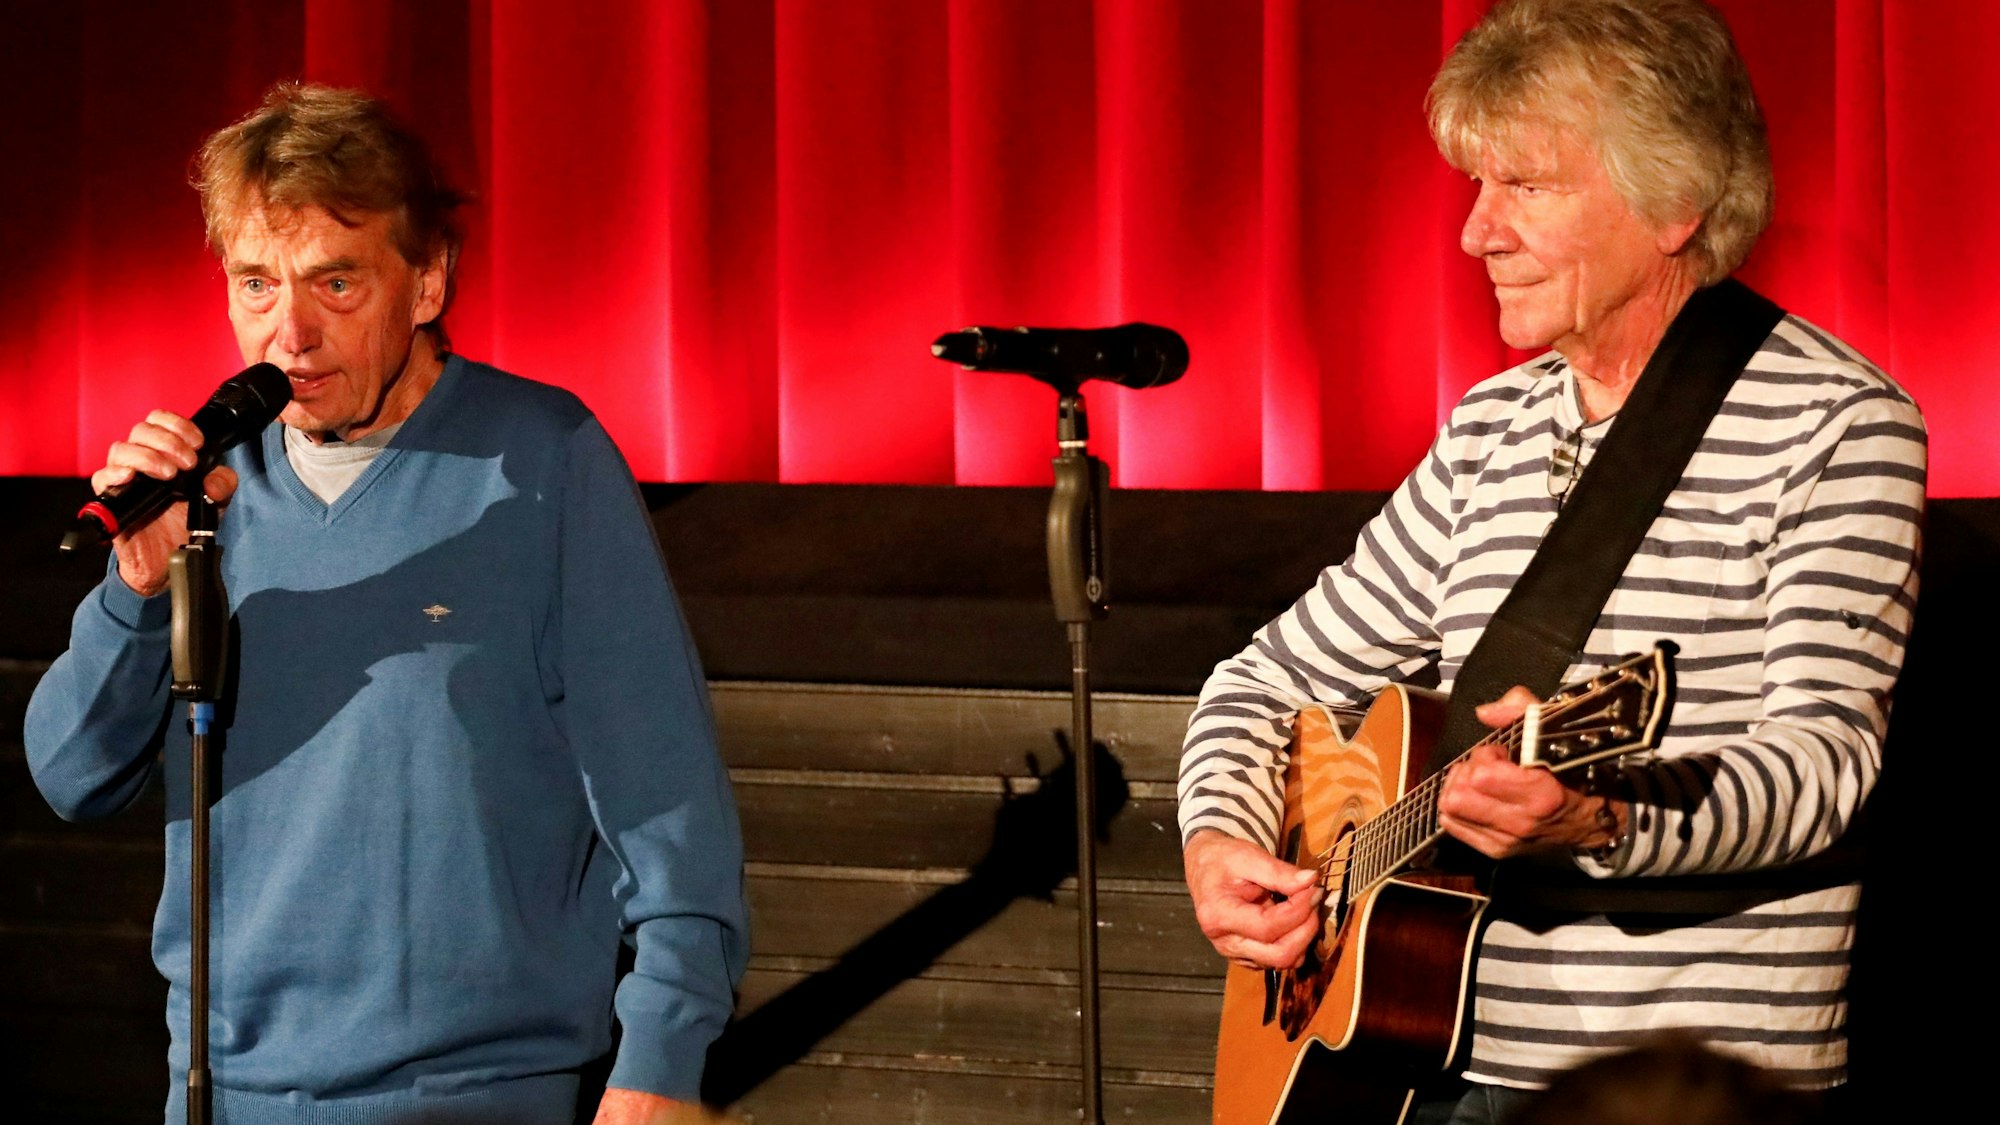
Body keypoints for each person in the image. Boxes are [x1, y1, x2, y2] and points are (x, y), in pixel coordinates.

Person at [1177, 0, 1922, 1120]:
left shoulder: (1834, 423)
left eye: (1525, 188)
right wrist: (1219, 838)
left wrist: (1603, 821)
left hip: (1683, 1088)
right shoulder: (1491, 429)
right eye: (1478, 189)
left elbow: (1822, 768)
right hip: (1421, 1069)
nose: (1476, 232)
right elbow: (1263, 678)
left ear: (1671, 204)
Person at [25, 83, 748, 1125]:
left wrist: (662, 1062)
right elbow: (70, 776)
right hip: (225, 1087)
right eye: (257, 284)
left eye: (336, 283)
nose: (291, 332)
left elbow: (663, 790)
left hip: (474, 1090)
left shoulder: (541, 459)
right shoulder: (208, 496)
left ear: (426, 282)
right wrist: (137, 590)